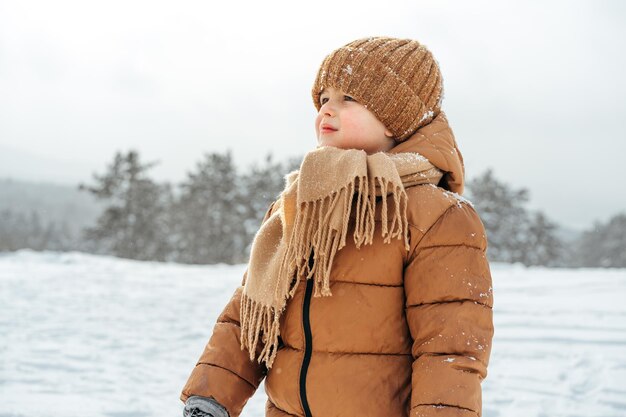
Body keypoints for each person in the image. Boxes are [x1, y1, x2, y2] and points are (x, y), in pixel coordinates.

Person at [180, 36, 494, 417]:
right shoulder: (302, 202)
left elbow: (450, 348)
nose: (327, 110)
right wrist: (211, 396)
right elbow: (252, 313)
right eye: (324, 98)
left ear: (397, 119)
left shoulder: (436, 216)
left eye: (348, 99)